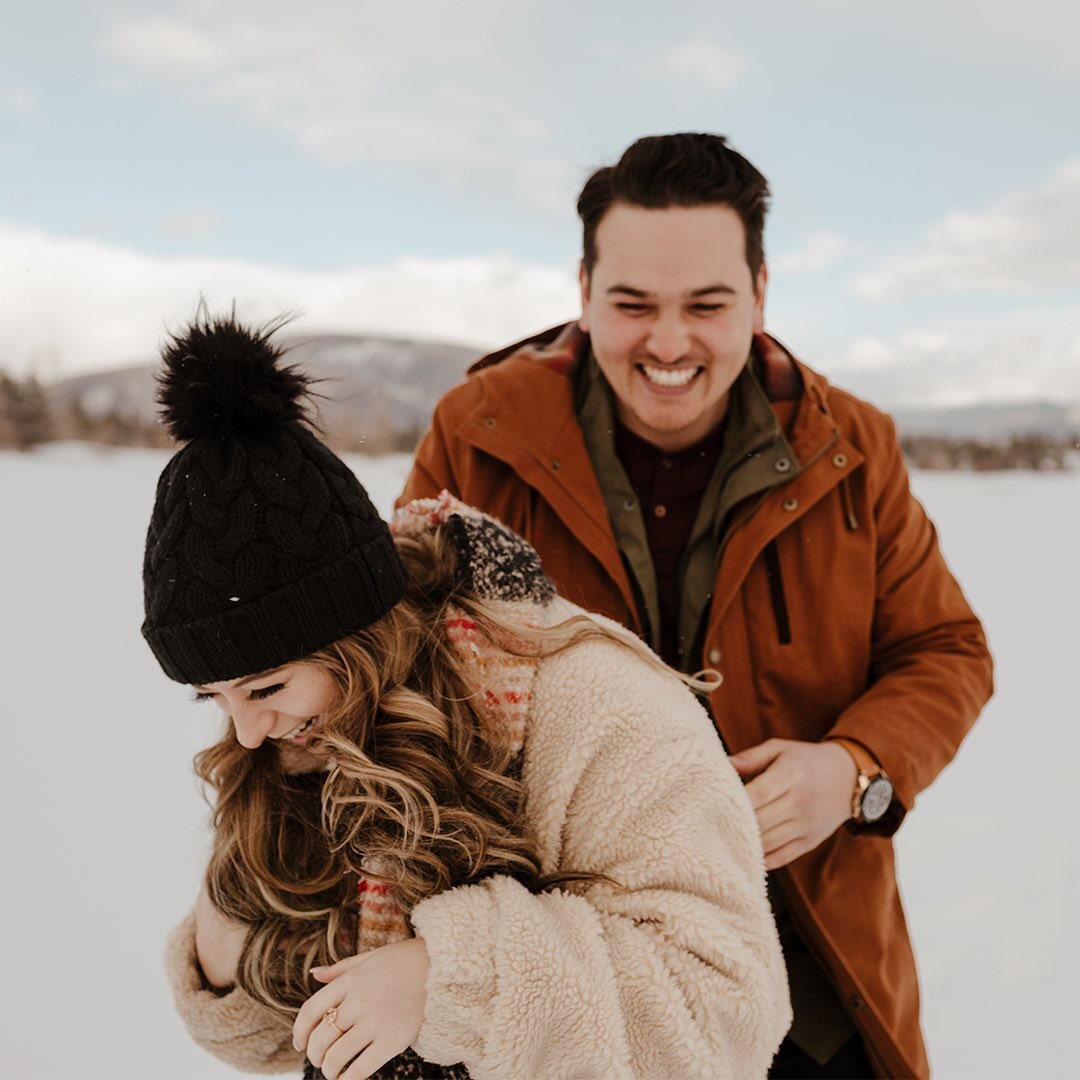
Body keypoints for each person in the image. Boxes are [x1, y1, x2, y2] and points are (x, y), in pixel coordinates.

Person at [399, 133, 994, 1079]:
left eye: (706, 306)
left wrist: (854, 767)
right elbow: (398, 678)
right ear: (584, 289)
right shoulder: (477, 436)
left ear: (760, 293)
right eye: (633, 305)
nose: (668, 344)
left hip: (817, 981)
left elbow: (946, 649)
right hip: (580, 989)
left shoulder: (855, 445)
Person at [144, 312, 791, 1080]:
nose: (245, 732)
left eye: (266, 687)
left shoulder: (598, 703)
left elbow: (728, 1011)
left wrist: (453, 978)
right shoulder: (305, 734)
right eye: (211, 698)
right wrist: (228, 953)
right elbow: (288, 1038)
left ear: (357, 638)